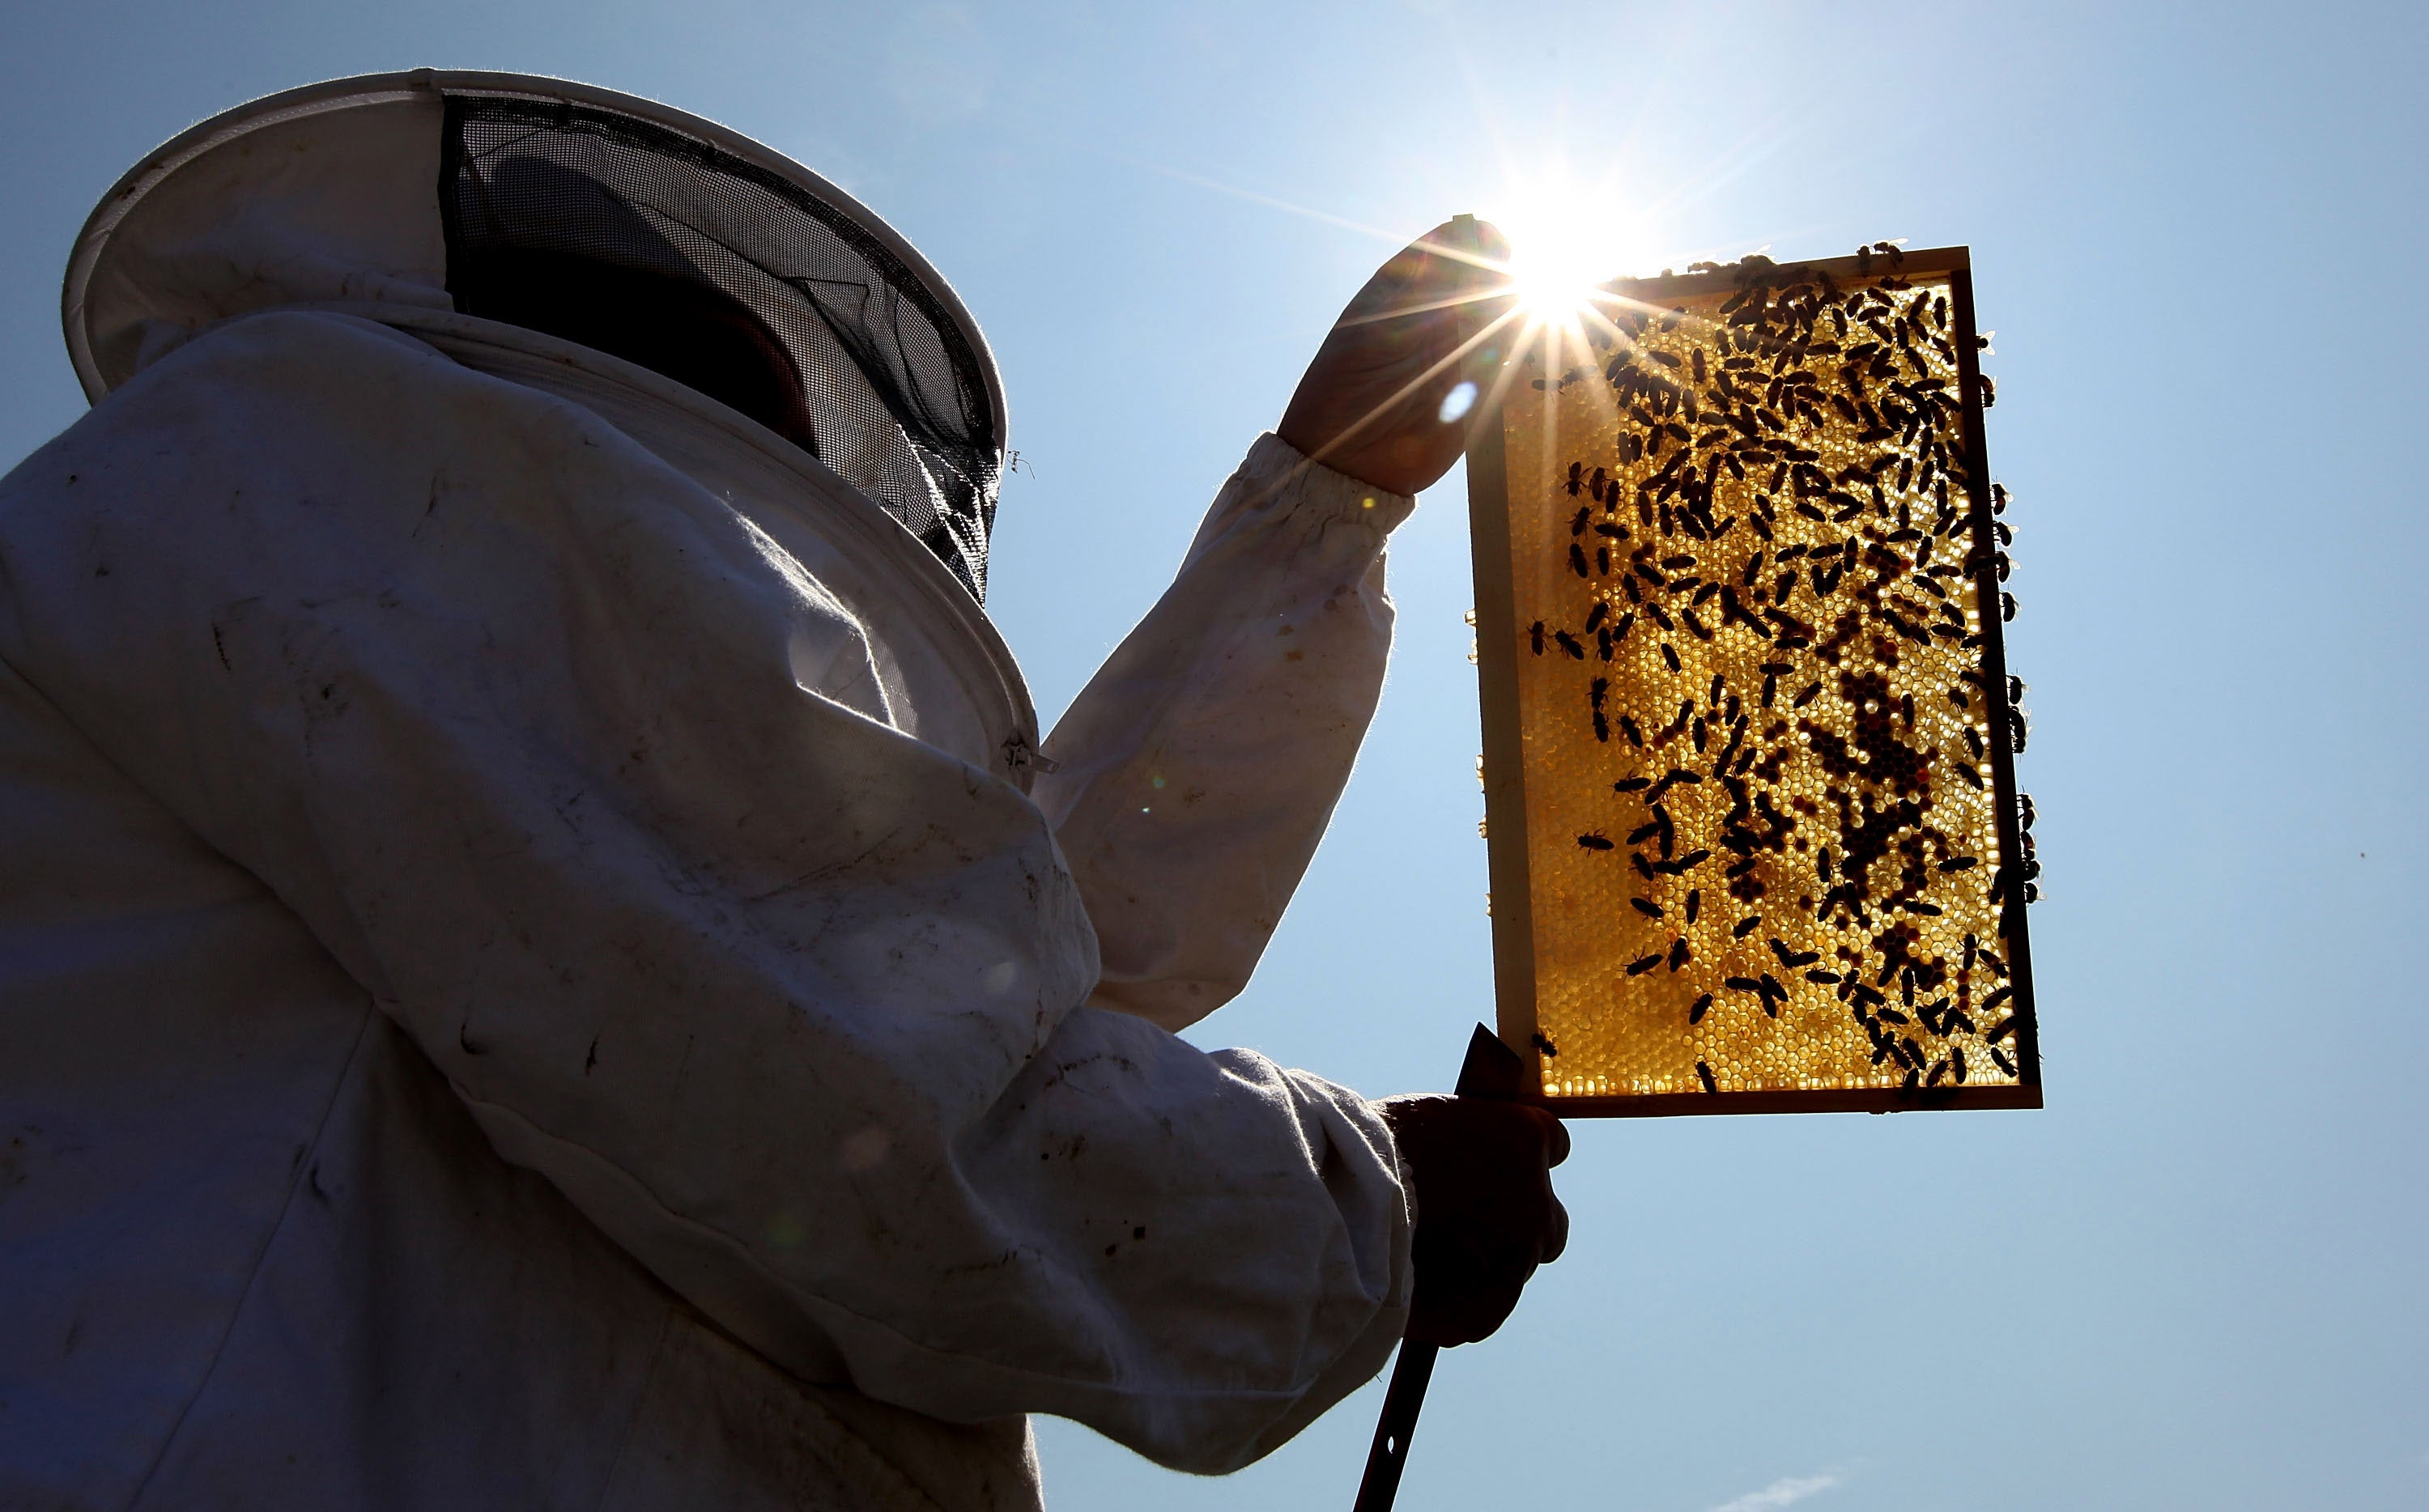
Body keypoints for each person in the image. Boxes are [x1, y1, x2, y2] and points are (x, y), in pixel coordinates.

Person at [0, 71, 1565, 1511]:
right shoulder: (313, 448)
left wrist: (1318, 509)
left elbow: (980, 978)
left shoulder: (420, 630)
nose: (792, 442)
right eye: (755, 386)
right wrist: (1374, 1210)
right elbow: (834, 1064)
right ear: (573, 345)